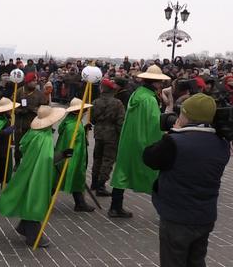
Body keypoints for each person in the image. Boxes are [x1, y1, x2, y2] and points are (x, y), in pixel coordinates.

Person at [143, 93, 230, 267]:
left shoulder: (174, 142)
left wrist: (171, 133)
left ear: (187, 115)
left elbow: (149, 158)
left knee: (173, 261)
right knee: (196, 260)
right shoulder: (222, 144)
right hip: (205, 215)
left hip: (177, 216)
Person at [0, 105, 68, 248]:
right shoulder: (44, 137)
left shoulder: (33, 134)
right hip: (37, 173)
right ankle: (33, 235)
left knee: (29, 197)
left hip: (28, 170)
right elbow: (47, 158)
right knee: (35, 199)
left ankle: (25, 227)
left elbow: (24, 146)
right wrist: (63, 154)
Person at [109, 65, 170, 218]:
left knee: (122, 172)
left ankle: (115, 207)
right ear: (155, 83)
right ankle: (166, 211)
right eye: (160, 82)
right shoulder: (149, 99)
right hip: (143, 141)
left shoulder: (137, 94)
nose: (161, 84)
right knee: (156, 174)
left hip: (129, 140)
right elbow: (155, 123)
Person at [54, 98, 96, 212]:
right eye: (84, 111)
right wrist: (76, 163)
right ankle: (80, 203)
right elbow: (72, 146)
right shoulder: (73, 126)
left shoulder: (72, 122)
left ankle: (80, 203)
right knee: (70, 178)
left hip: (67, 157)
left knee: (60, 179)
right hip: (72, 158)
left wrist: (84, 128)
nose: (85, 112)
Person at [90, 79, 125, 196]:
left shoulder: (95, 102)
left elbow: (92, 120)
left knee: (97, 158)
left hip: (98, 133)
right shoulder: (117, 103)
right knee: (108, 160)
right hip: (112, 135)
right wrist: (122, 136)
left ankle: (94, 182)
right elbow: (120, 122)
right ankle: (101, 185)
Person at [13, 72, 48, 167]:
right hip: (20, 124)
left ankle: (28, 164)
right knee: (18, 145)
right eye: (33, 80)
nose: (35, 82)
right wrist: (19, 111)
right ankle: (17, 163)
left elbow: (45, 108)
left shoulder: (40, 94)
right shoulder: (19, 91)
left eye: (36, 80)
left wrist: (35, 110)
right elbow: (12, 106)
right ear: (27, 81)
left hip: (33, 125)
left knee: (31, 146)